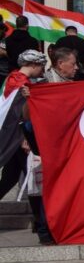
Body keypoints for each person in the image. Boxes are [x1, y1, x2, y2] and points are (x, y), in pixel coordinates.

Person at [0, 50, 46, 218]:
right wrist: (24, 137)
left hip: (13, 136)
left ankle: (40, 222)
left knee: (10, 177)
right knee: (34, 178)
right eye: (41, 65)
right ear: (33, 64)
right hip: (19, 137)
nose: (42, 70)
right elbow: (17, 113)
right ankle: (42, 223)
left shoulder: (11, 77)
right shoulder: (21, 83)